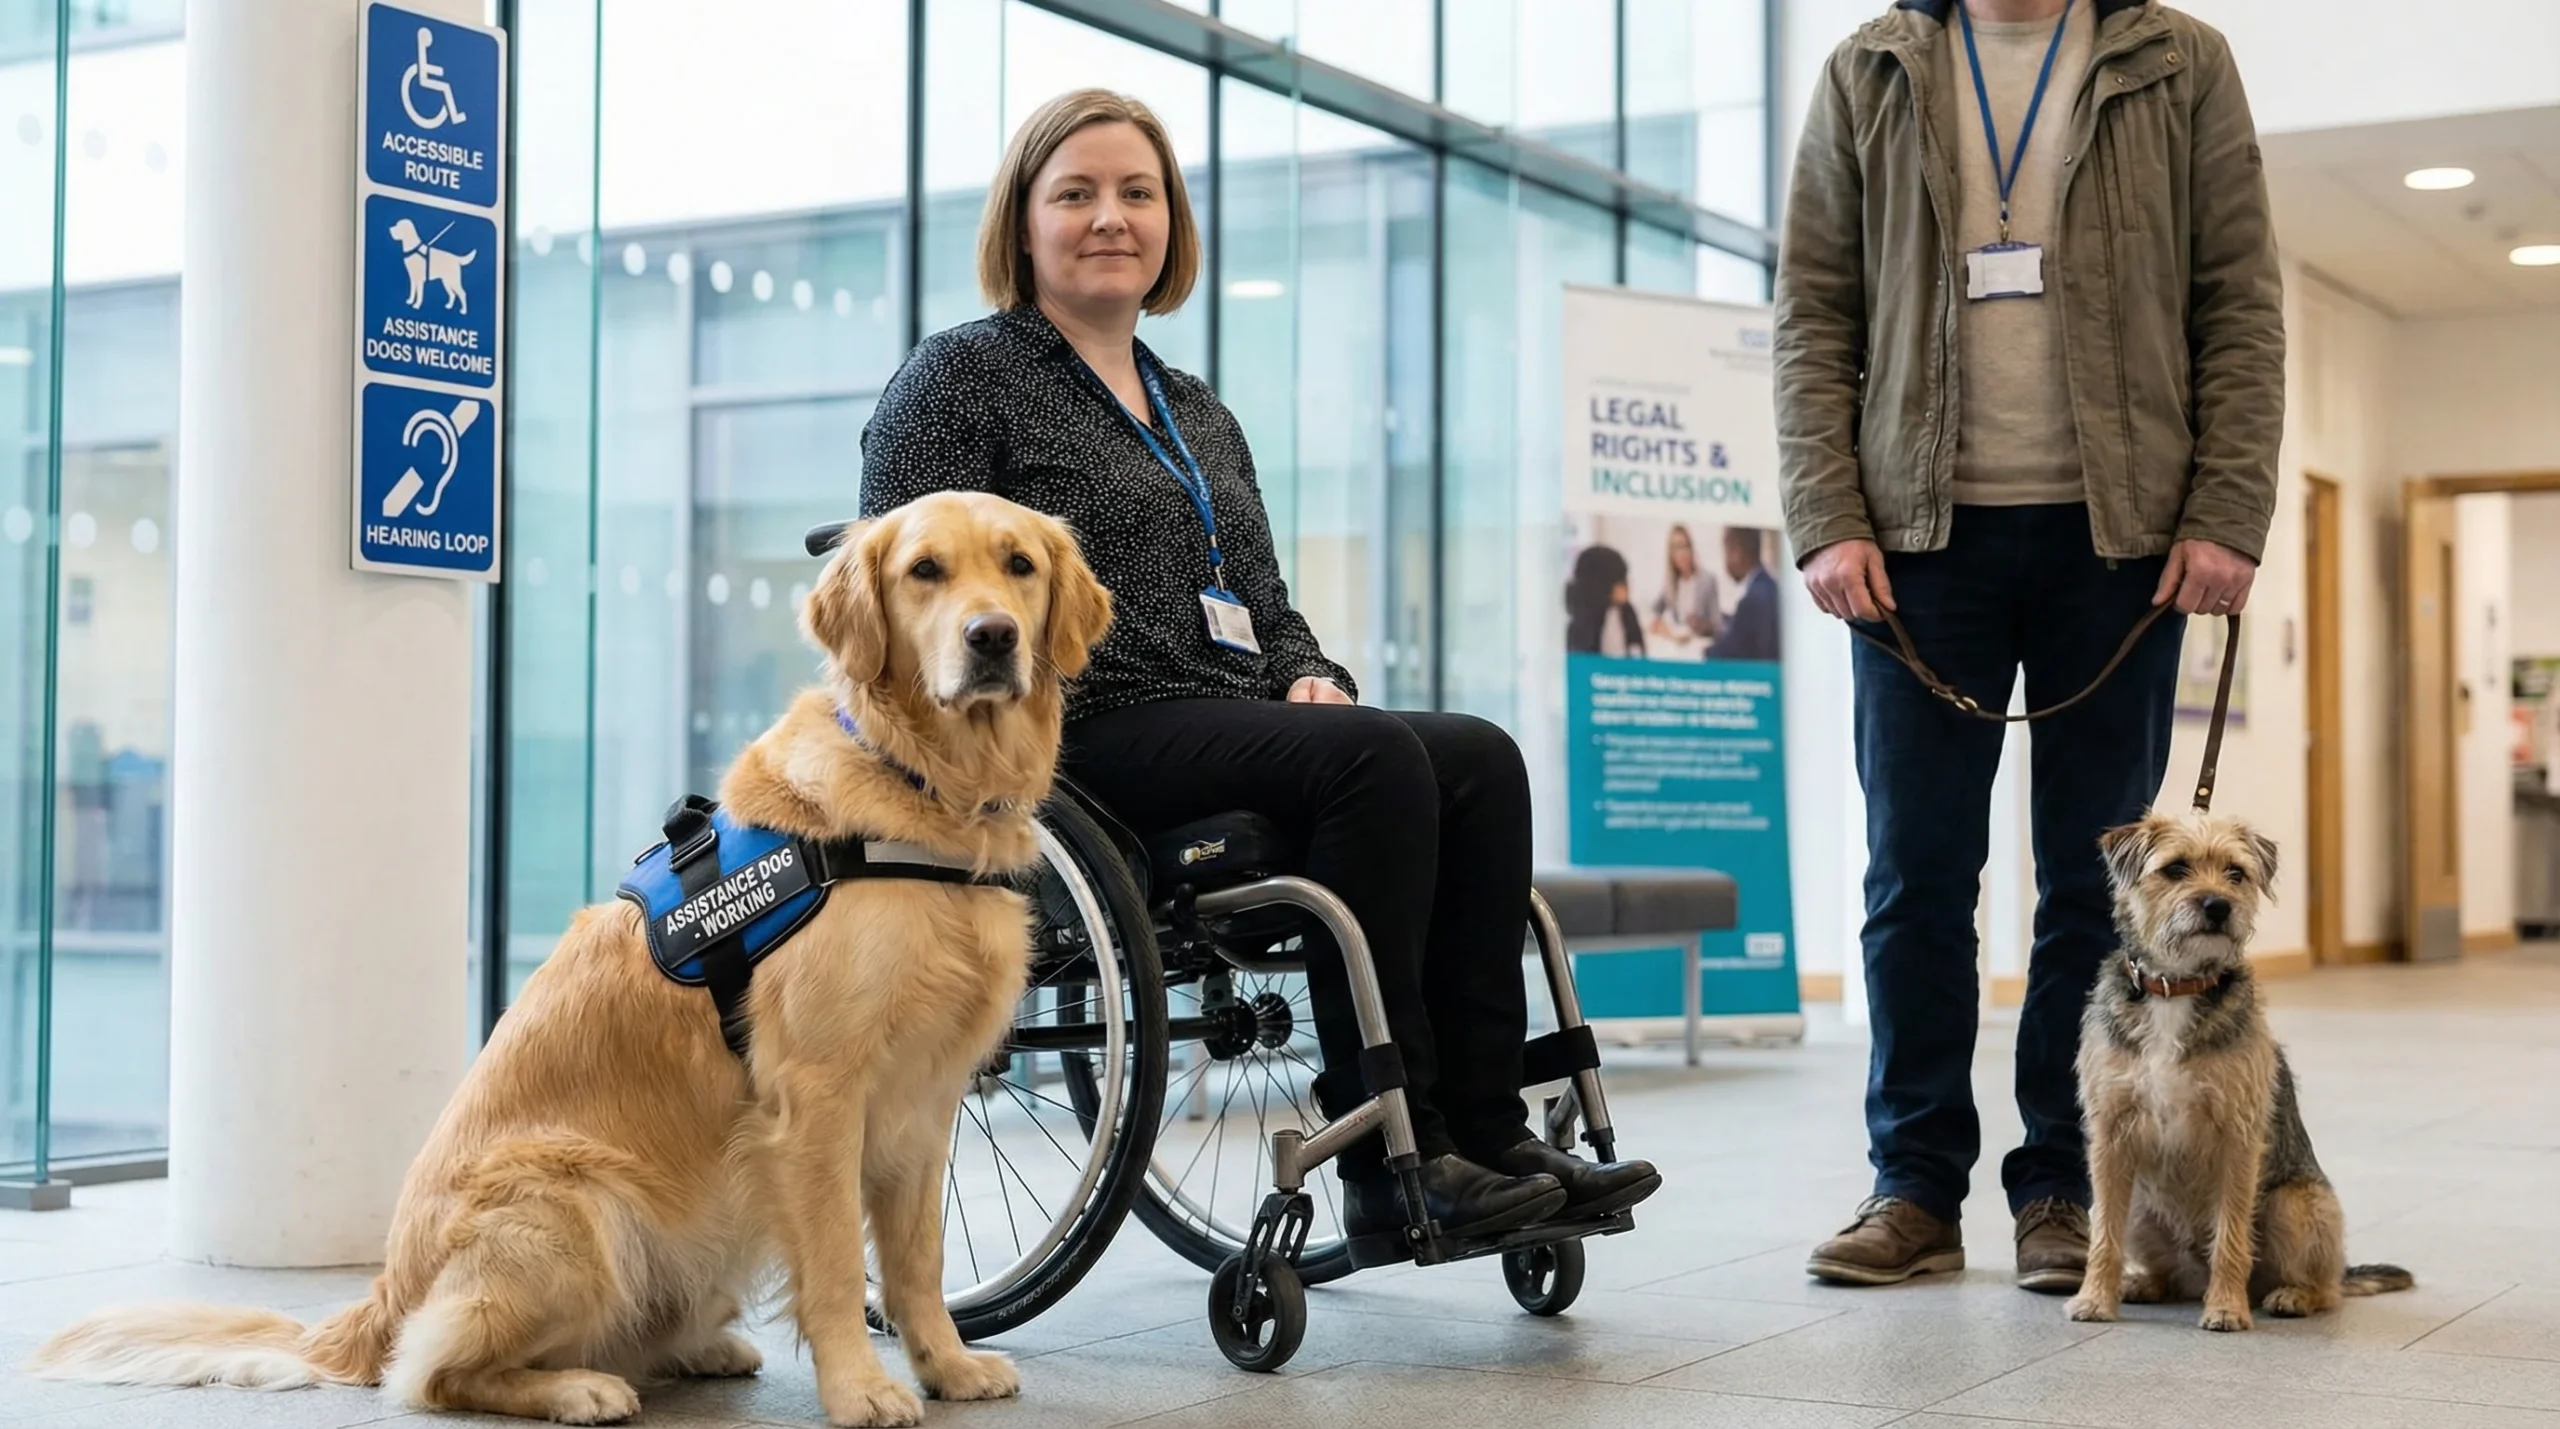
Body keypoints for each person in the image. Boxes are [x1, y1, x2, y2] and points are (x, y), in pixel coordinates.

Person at [858, 88, 1660, 1262]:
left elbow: (1264, 604)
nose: (1109, 217)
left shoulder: (1196, 411)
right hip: (1071, 736)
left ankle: (1488, 1132)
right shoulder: (960, 379)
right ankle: (1394, 1156)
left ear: (1170, 221)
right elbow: (897, 588)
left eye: (1137, 193)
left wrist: (1306, 676)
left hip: (1226, 718)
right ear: (1022, 223)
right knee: (1377, 759)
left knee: (1476, 754)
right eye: (1074, 193)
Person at [1774, 0, 2282, 1293]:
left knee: (2091, 886)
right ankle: (1913, 1187)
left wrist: (2225, 507)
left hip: (2116, 540)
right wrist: (1828, 515)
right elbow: (1814, 309)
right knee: (1915, 876)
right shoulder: (1869, 68)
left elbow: (2240, 298)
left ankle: (2060, 1184)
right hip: (1913, 541)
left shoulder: (2179, 61)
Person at [1702, 528, 1778, 662]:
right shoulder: (1767, 585)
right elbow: (1745, 628)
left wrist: (1700, 651)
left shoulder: (1752, 600)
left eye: (1726, 551)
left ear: (1737, 552)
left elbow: (1725, 652)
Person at [1566, 544, 1646, 658]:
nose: (1627, 587)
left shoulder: (1628, 613)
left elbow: (1638, 650)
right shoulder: (1582, 623)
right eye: (1620, 581)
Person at [1649, 524, 1717, 645]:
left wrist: (1700, 624)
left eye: (1685, 546)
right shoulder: (1670, 583)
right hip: (1677, 644)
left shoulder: (1707, 580)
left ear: (1691, 549)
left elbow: (1718, 626)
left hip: (1699, 645)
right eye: (1676, 548)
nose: (1682, 553)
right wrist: (1660, 625)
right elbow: (1654, 611)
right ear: (1671, 554)